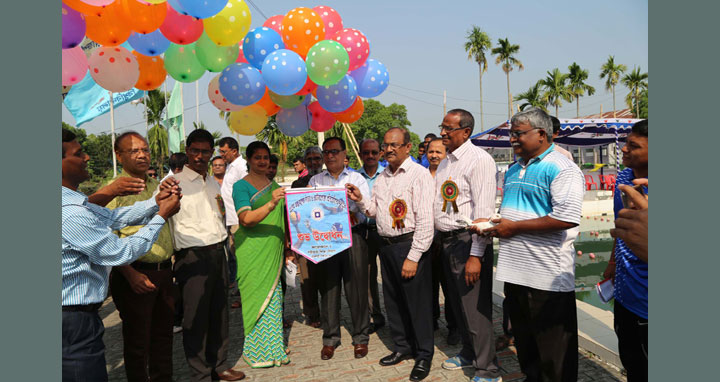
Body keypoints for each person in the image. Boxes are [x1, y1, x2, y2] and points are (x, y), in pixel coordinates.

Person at [61, 128, 180, 382]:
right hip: (73, 316)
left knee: (161, 338)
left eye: (144, 149)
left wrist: (155, 203)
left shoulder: (76, 203)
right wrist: (160, 215)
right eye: (79, 153)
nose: (87, 157)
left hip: (158, 274)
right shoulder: (70, 211)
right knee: (132, 347)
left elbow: (111, 218)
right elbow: (118, 251)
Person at [479, 107, 584, 382]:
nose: (512, 139)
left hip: (547, 277)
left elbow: (567, 217)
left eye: (518, 134)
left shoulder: (562, 168)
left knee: (555, 355)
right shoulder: (513, 169)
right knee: (527, 348)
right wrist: (495, 224)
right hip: (515, 272)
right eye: (511, 134)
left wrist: (513, 227)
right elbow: (516, 213)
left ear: (541, 134)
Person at [347, 128, 435, 381]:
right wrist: (361, 200)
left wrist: (414, 255)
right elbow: (375, 211)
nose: (389, 149)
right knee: (394, 302)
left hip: (409, 246)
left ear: (408, 147)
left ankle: (424, 354)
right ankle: (402, 347)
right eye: (386, 145)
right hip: (386, 247)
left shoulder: (419, 175)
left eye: (395, 145)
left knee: (417, 304)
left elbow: (426, 221)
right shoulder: (383, 176)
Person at [165, 129, 245, 382]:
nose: (200, 156)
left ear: (212, 153)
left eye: (205, 151)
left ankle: (220, 365)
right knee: (195, 317)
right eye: (195, 151)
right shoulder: (173, 184)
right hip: (191, 258)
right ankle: (200, 374)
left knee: (219, 314)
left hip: (218, 252)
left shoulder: (212, 182)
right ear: (187, 151)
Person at [97, 132, 177, 382]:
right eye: (133, 151)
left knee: (163, 338)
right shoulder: (112, 192)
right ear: (118, 156)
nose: (142, 155)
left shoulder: (156, 185)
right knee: (138, 342)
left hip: (164, 272)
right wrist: (130, 274)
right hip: (134, 273)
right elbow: (105, 239)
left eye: (145, 149)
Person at [434, 109, 501, 382]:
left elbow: (483, 212)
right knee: (457, 305)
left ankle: (488, 369)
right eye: (442, 127)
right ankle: (468, 351)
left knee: (475, 310)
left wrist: (476, 255)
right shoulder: (445, 163)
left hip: (467, 242)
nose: (443, 133)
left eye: (449, 128)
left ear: (466, 132)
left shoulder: (479, 161)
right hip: (446, 242)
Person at [309, 137, 371, 360]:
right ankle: (330, 338)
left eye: (334, 151)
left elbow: (367, 208)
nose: (330, 156)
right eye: (326, 152)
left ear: (346, 155)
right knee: (328, 289)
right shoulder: (315, 180)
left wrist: (357, 198)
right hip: (325, 240)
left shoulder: (357, 179)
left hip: (353, 237)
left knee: (356, 289)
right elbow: (308, 209)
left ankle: (361, 337)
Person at [233, 141, 292, 368]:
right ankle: (257, 351)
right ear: (248, 159)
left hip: (273, 250)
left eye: (265, 157)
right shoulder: (241, 186)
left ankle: (274, 346)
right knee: (256, 298)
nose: (262, 161)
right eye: (257, 157)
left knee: (274, 299)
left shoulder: (272, 183)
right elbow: (246, 219)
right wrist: (272, 203)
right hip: (253, 251)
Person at [604, 119, 648, 382]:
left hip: (648, 304)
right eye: (625, 143)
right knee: (633, 365)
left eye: (634, 146)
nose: (624, 150)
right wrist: (612, 264)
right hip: (624, 295)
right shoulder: (623, 178)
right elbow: (621, 228)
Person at [425, 138, 459, 345]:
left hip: (447, 238)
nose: (434, 155)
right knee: (428, 285)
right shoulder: (419, 175)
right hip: (424, 239)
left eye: (439, 152)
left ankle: (454, 326)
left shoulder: (451, 174)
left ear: (446, 154)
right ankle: (431, 321)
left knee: (449, 286)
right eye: (431, 152)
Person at [291, 146, 324, 327]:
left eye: (317, 158)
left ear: (323, 160)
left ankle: (329, 311)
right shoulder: (297, 184)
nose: (314, 162)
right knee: (306, 279)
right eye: (310, 159)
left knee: (328, 277)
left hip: (327, 238)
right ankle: (313, 314)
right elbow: (293, 212)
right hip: (305, 238)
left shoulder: (328, 181)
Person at [357, 138, 387, 334]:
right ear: (360, 154)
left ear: (380, 154)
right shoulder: (352, 177)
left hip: (384, 232)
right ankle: (375, 315)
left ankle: (396, 313)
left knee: (390, 275)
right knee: (367, 277)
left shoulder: (387, 175)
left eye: (374, 152)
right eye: (366, 153)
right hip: (361, 233)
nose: (370, 156)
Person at [219, 137, 248, 297]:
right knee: (235, 257)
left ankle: (245, 290)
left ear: (234, 151)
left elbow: (246, 189)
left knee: (242, 258)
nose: (221, 154)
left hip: (239, 221)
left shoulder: (241, 166)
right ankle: (241, 289)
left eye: (224, 151)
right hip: (231, 221)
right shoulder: (230, 166)